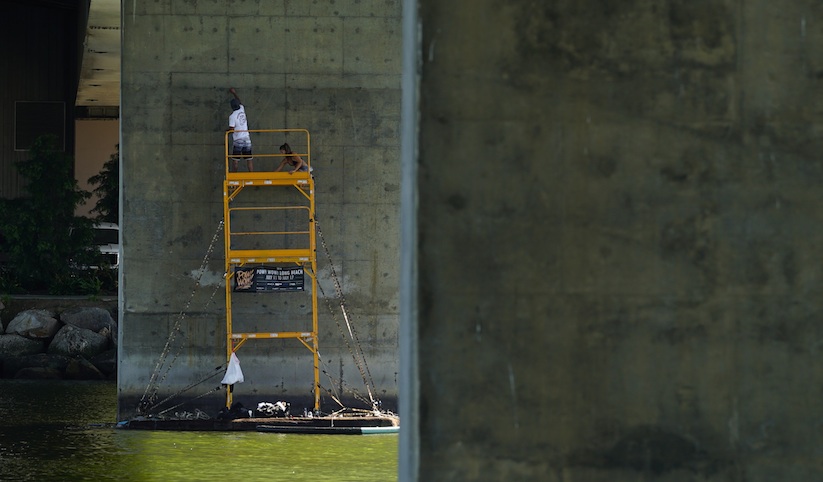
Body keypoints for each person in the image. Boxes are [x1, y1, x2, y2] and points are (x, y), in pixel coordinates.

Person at [227, 87, 253, 172]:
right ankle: (252, 175)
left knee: (235, 160)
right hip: (246, 138)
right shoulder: (242, 109)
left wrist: (226, 131)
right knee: (249, 159)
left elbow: (231, 129)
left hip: (238, 139)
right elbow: (239, 100)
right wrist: (234, 93)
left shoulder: (232, 116)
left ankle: (234, 175)